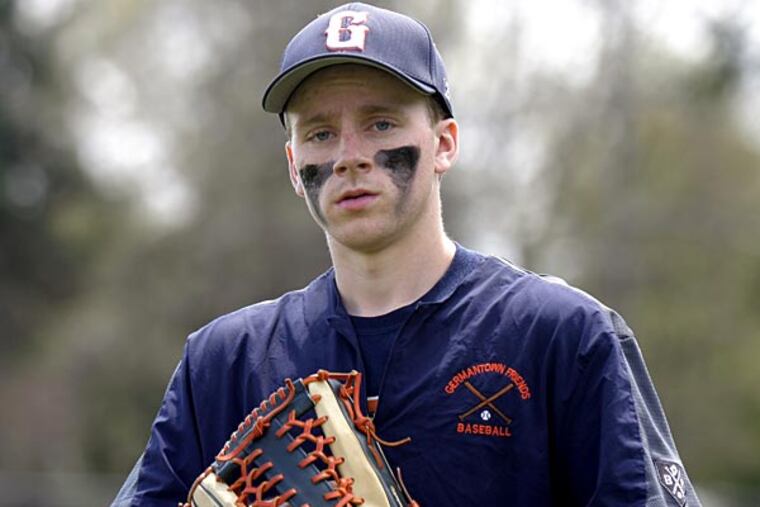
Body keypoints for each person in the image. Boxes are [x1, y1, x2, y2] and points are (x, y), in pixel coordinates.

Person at [112, 3, 702, 506]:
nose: (349, 155)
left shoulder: (562, 337)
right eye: (320, 133)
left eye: (380, 123)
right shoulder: (225, 363)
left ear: (443, 143)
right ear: (294, 167)